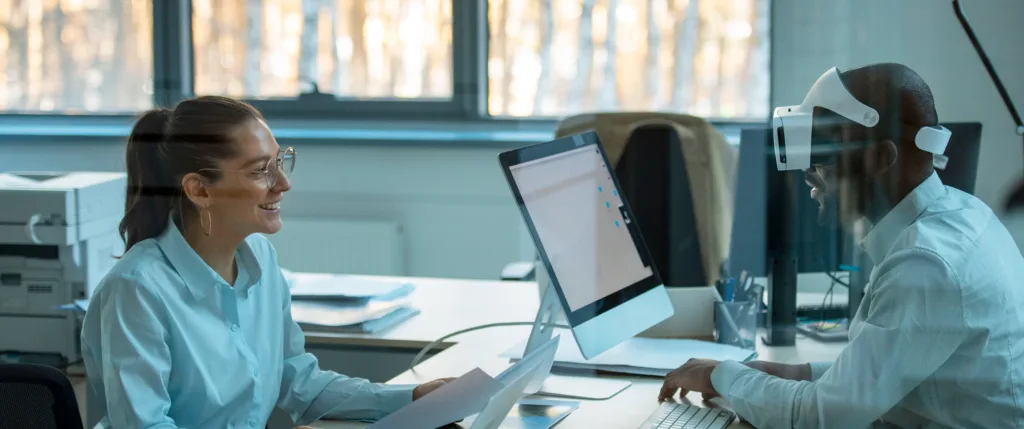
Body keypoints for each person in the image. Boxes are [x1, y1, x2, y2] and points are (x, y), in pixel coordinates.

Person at [659, 63, 1024, 428]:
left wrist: (721, 376)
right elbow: (886, 373)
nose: (809, 170)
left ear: (881, 158)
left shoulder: (925, 263)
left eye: (825, 149)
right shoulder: (963, 213)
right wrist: (798, 372)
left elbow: (821, 418)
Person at [80, 96, 452, 429]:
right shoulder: (137, 289)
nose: (282, 183)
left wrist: (413, 397)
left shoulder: (260, 259)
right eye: (261, 170)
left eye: (279, 161)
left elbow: (299, 383)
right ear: (200, 190)